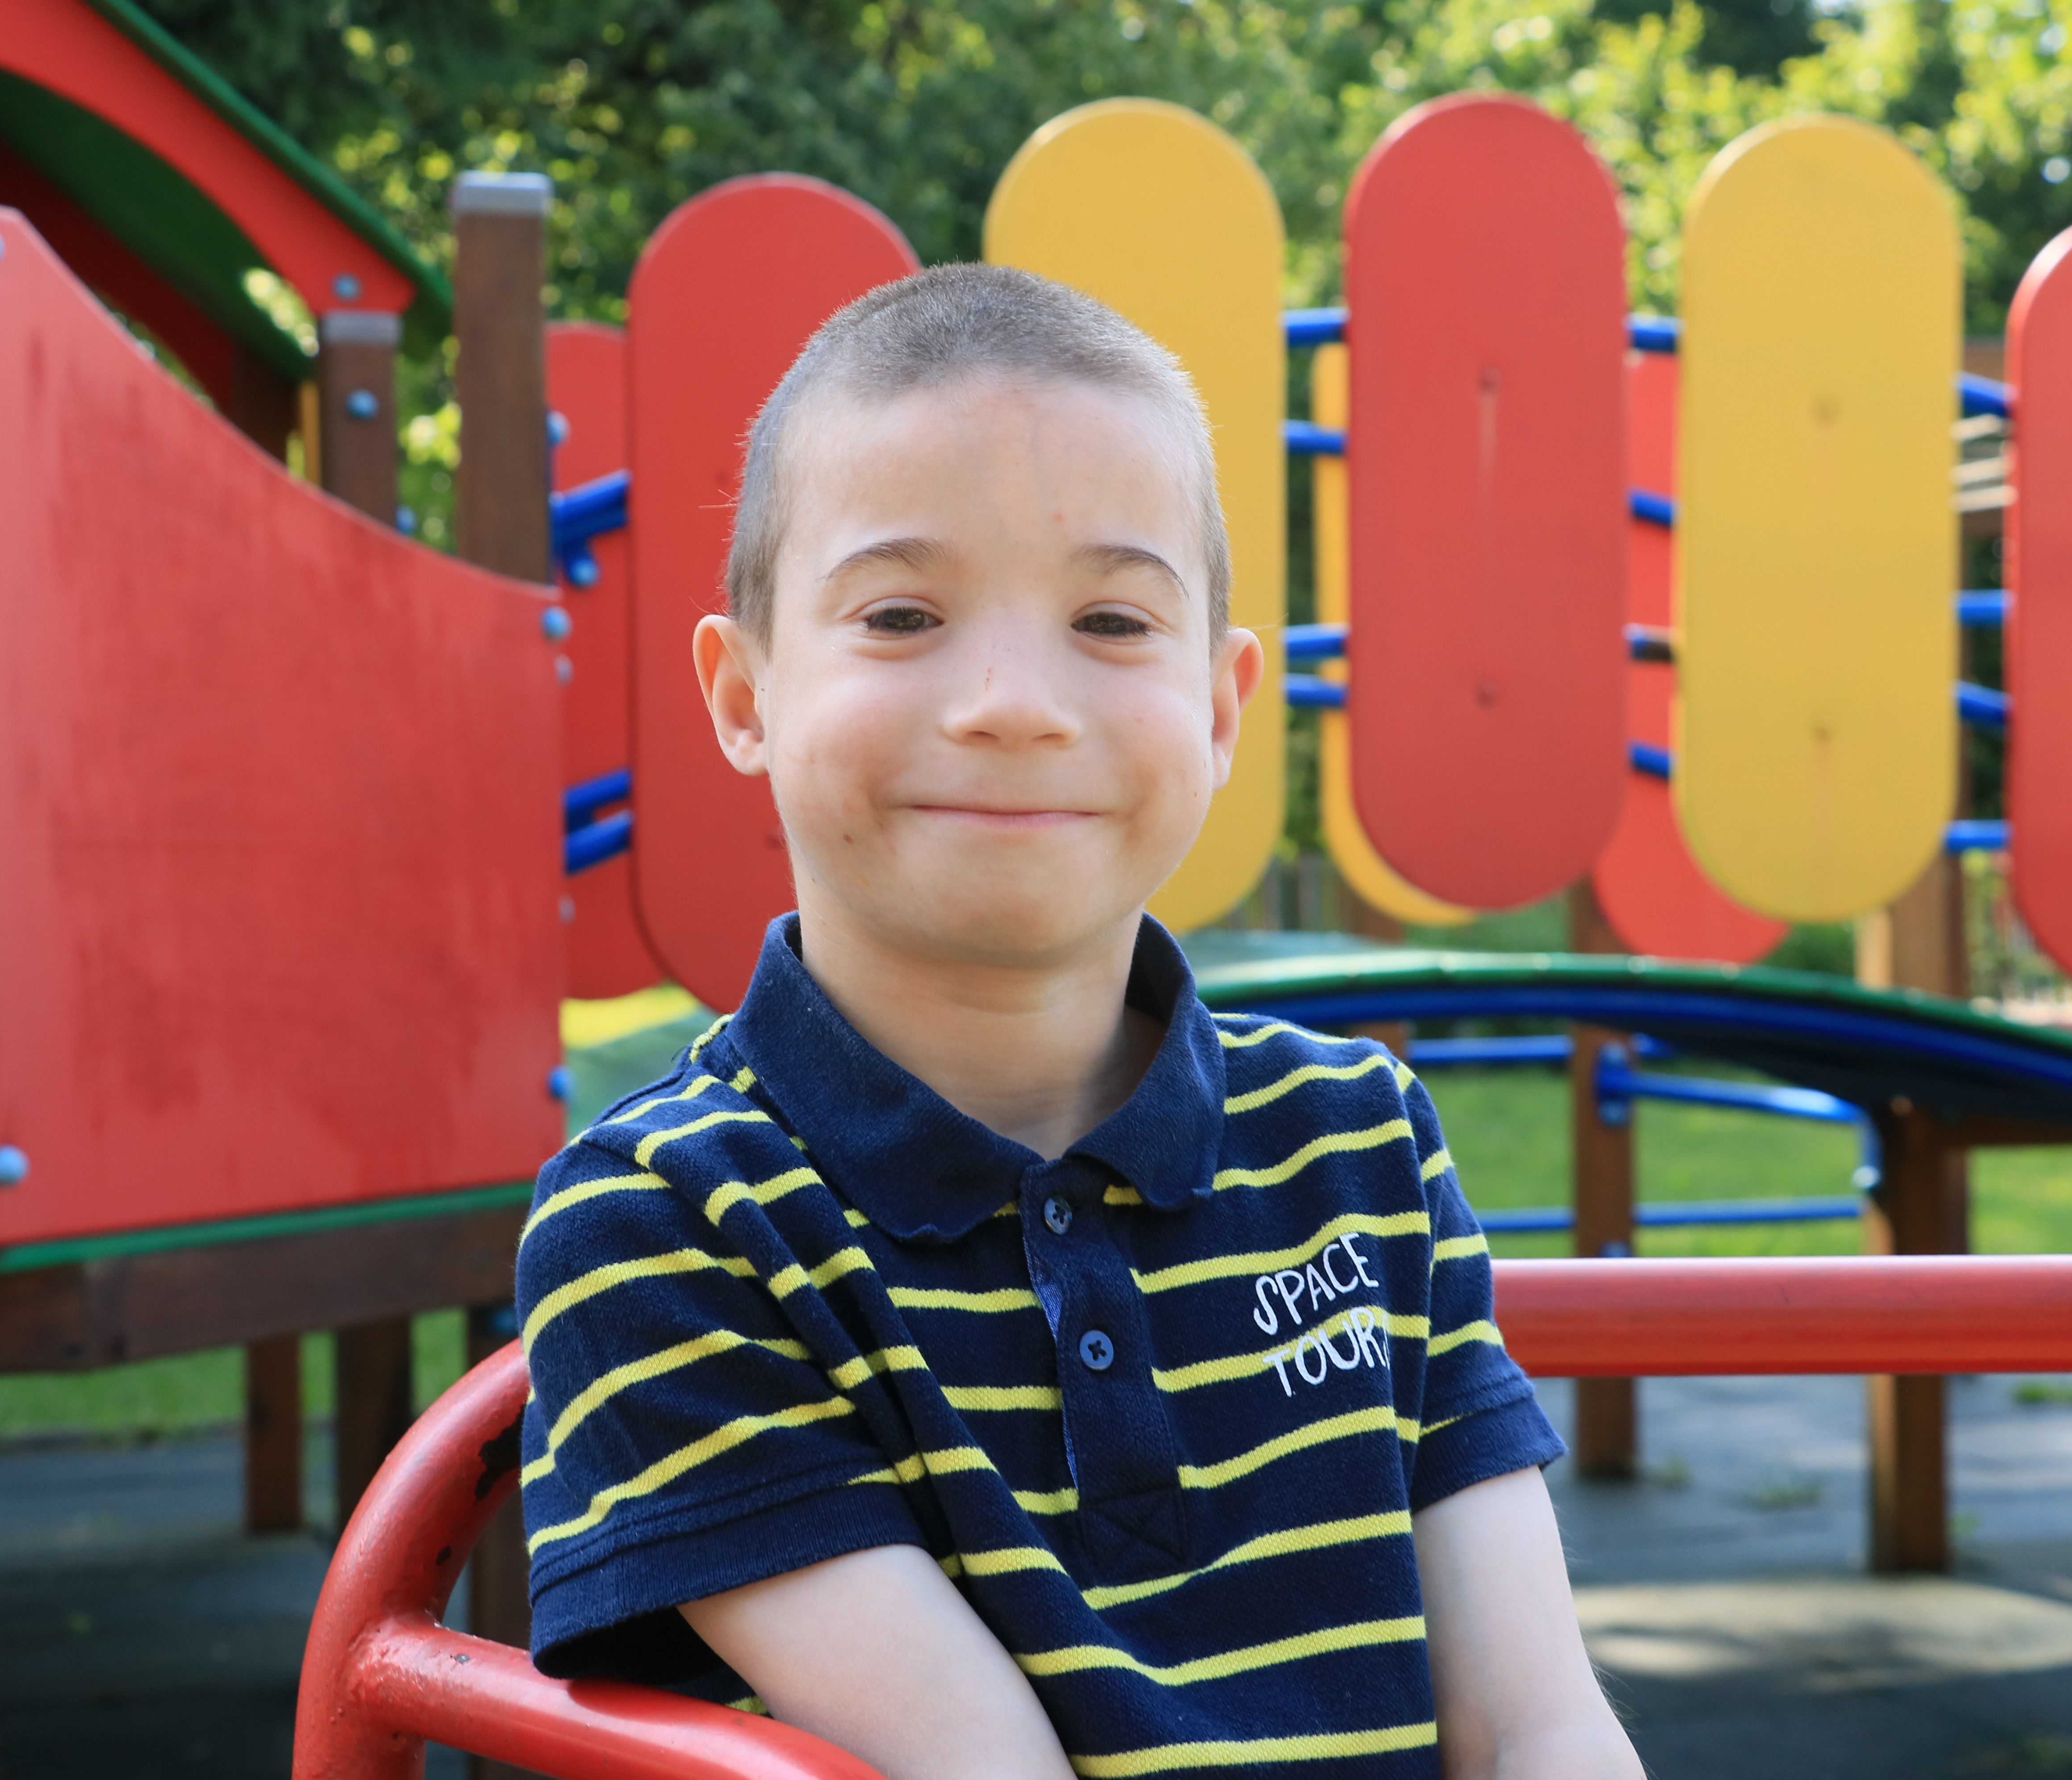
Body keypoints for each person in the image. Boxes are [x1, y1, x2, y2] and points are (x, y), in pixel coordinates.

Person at [515, 263, 1641, 1780]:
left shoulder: (1360, 1143)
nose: (1014, 703)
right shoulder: (670, 1224)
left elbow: (1541, 1727)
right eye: (902, 614)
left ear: (1224, 708)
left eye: (1111, 619)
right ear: (744, 694)